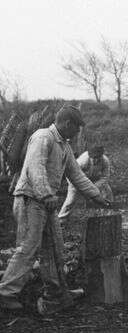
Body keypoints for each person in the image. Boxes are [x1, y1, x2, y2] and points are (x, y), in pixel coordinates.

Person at [0, 106, 111, 313]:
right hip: (31, 199)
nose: (78, 133)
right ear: (67, 124)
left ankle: (56, 294)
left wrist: (98, 197)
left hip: (45, 203)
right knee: (28, 248)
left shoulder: (64, 146)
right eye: (77, 128)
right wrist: (46, 194)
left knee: (54, 249)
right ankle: (5, 293)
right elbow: (36, 167)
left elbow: (77, 176)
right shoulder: (43, 137)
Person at [58, 145, 113, 219]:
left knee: (107, 192)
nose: (95, 160)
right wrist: (81, 187)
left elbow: (105, 177)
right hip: (77, 180)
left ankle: (108, 214)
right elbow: (71, 174)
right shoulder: (83, 160)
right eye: (93, 158)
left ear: (101, 156)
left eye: (98, 158)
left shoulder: (105, 161)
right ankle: (61, 219)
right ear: (90, 155)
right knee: (71, 201)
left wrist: (94, 187)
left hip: (94, 180)